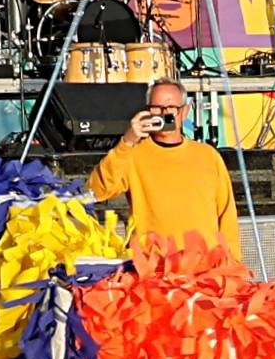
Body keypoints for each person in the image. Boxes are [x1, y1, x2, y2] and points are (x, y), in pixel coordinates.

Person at [83, 76, 243, 268]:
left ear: (184, 111)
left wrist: (233, 264)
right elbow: (96, 191)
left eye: (171, 108)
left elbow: (227, 215)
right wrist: (127, 141)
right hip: (154, 271)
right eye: (157, 108)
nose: (165, 113)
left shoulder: (207, 156)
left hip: (203, 270)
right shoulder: (133, 154)